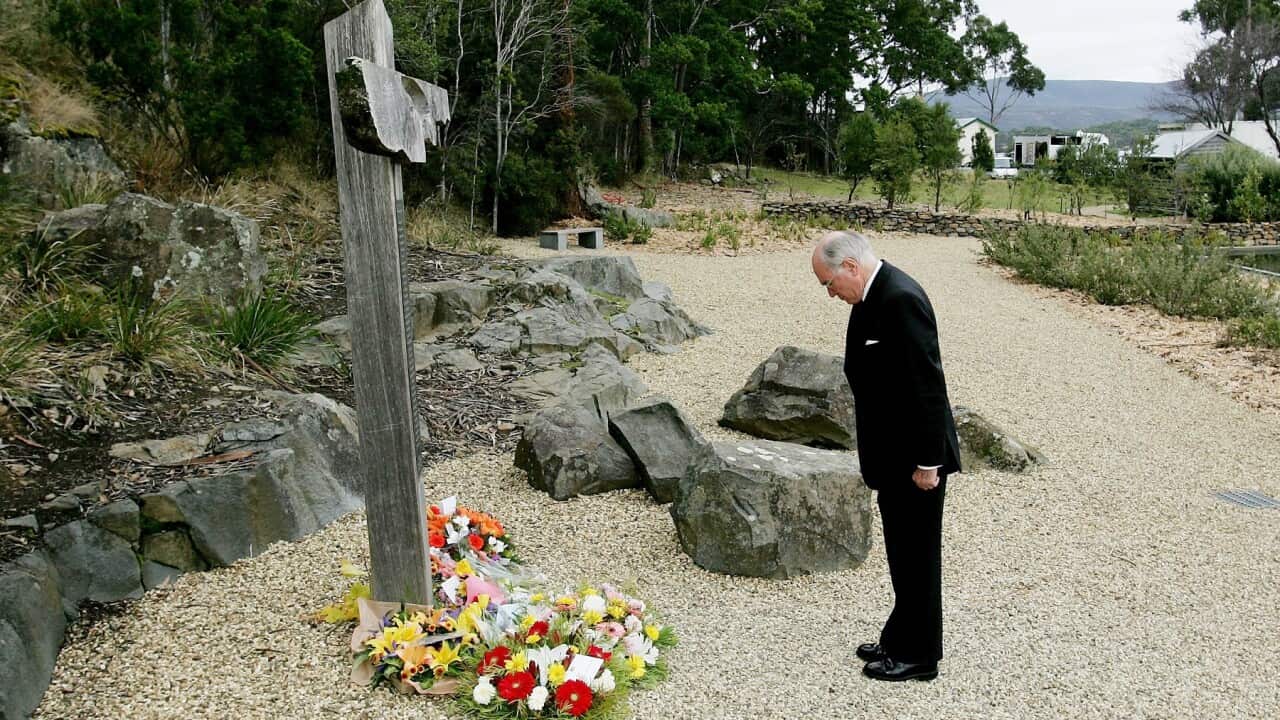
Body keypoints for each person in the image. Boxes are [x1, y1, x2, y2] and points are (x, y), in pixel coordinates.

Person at [810, 231, 961, 682]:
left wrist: (929, 461)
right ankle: (899, 636)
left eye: (829, 283)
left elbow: (927, 384)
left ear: (851, 267)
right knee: (901, 552)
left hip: (916, 460)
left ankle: (920, 656)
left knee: (917, 555)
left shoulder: (901, 299)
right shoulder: (870, 298)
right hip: (892, 456)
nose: (830, 293)